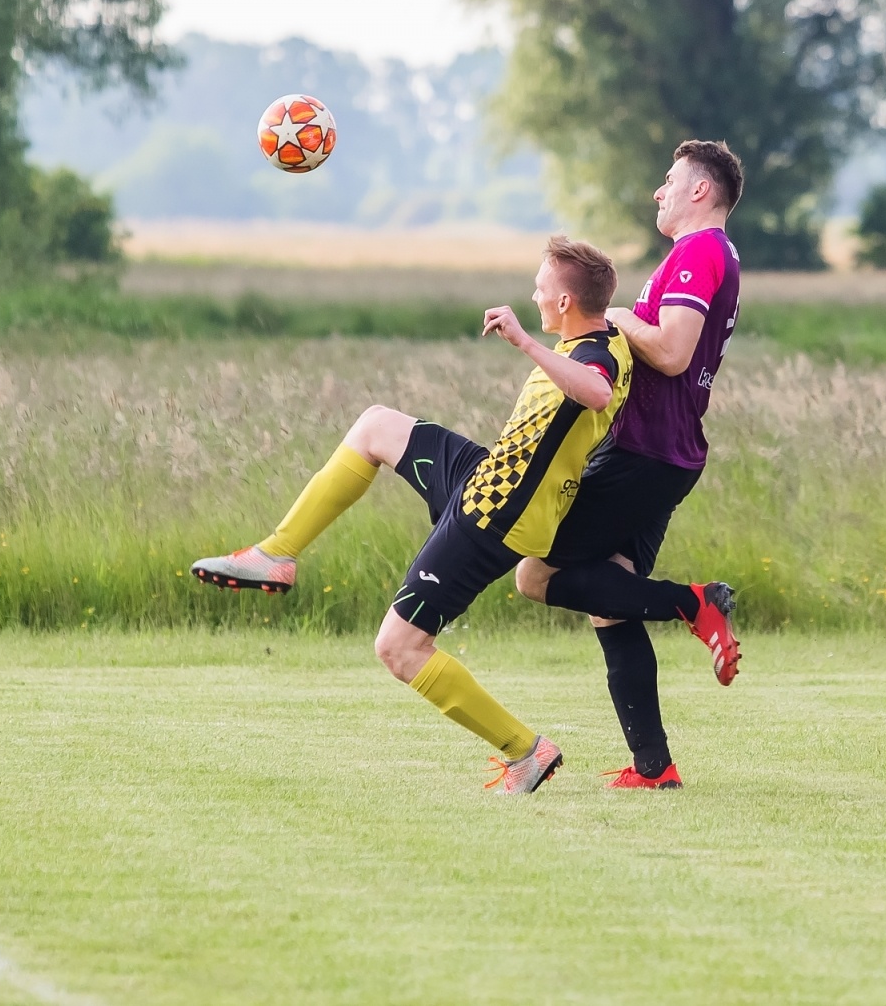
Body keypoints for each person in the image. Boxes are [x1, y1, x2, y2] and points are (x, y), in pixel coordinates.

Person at [190, 236, 632, 794]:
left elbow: (594, 392)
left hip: (496, 514)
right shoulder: (608, 334)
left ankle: (528, 751)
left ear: (566, 303)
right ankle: (276, 554)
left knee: (398, 649)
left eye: (542, 288)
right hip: (491, 476)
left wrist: (523, 341)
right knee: (375, 424)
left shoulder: (592, 355)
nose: (534, 296)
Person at [514, 140, 746, 791]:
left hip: (645, 451)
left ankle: (694, 602)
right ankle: (654, 767)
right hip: (666, 453)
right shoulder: (708, 254)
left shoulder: (700, 250)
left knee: (535, 575)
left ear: (700, 190)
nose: (658, 191)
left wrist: (617, 317)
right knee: (609, 599)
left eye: (669, 180)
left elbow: (671, 353)